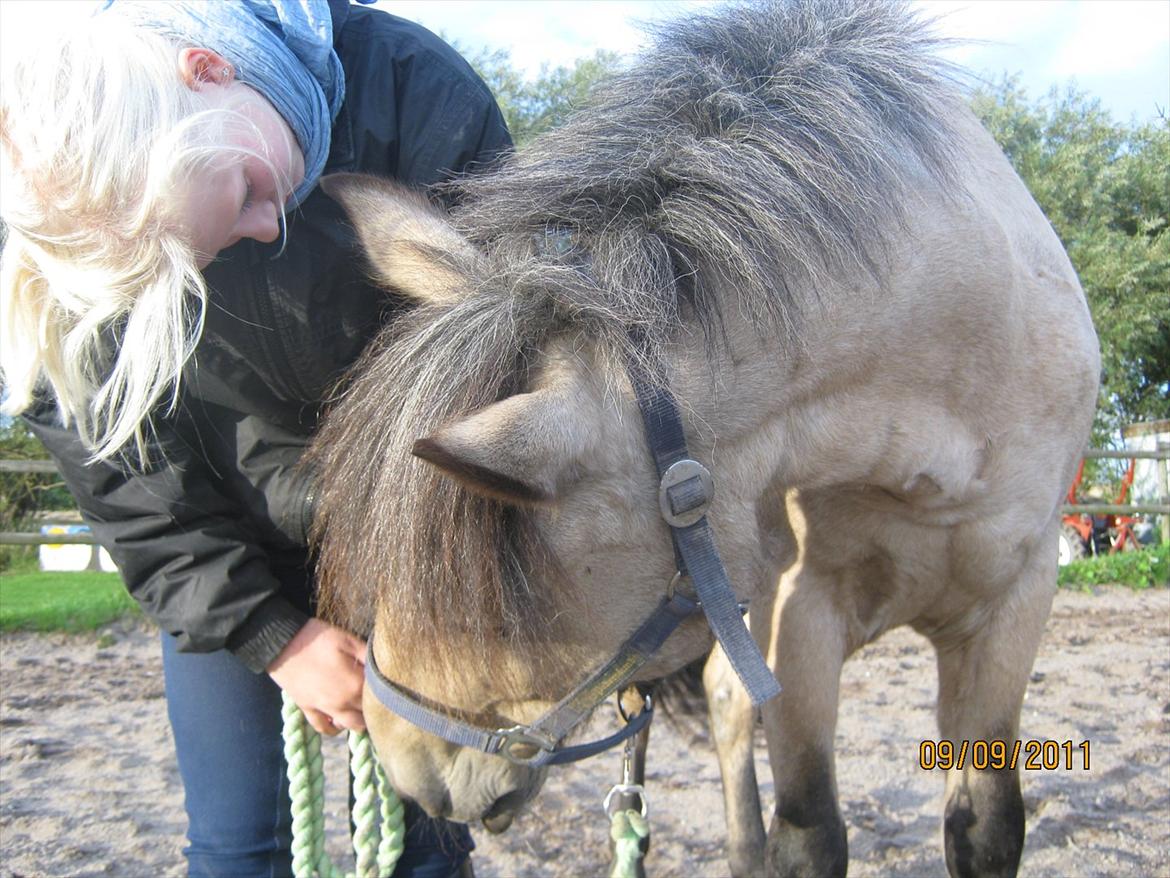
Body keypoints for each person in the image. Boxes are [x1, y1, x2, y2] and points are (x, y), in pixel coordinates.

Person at [0, 1, 511, 875]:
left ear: (207, 70)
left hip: (406, 555)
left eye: (240, 195)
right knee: (237, 846)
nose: (267, 230)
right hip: (226, 554)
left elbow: (499, 359)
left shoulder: (415, 92)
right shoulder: (60, 198)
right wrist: (274, 636)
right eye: (223, 237)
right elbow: (120, 465)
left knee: (422, 840)